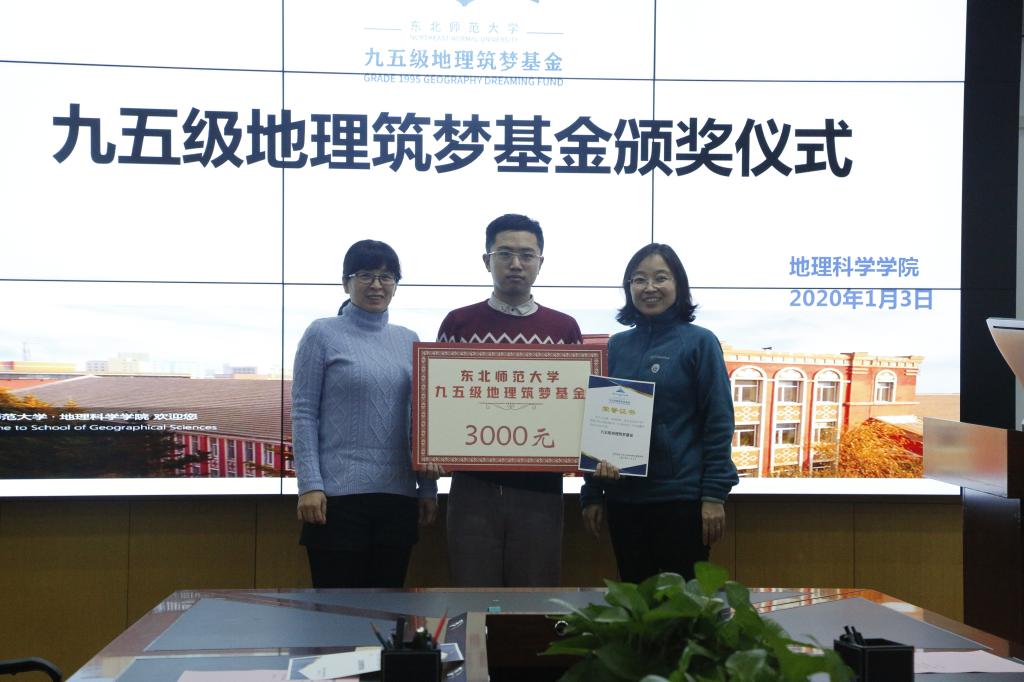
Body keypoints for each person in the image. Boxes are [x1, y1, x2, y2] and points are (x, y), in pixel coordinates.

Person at [436, 213, 582, 587]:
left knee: (535, 599)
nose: (516, 263)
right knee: (471, 597)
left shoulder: (564, 328)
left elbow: (578, 410)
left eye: (526, 255)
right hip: (472, 488)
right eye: (504, 254)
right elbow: (440, 407)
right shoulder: (457, 323)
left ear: (540, 262)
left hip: (541, 490)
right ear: (487, 261)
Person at [580, 243, 738, 583]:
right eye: (639, 279)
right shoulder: (616, 345)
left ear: (678, 284)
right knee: (634, 602)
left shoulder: (700, 342)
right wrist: (592, 492)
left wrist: (714, 496)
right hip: (623, 501)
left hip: (680, 501)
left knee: (683, 605)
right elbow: (596, 421)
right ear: (629, 288)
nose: (649, 287)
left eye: (660, 278)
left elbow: (719, 422)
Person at [291, 239, 438, 588]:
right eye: (365, 275)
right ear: (346, 283)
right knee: (337, 608)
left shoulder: (409, 339)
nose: (376, 285)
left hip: (398, 497)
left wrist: (428, 488)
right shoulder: (321, 333)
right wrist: (309, 485)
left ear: (396, 285)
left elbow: (420, 418)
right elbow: (303, 413)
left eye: (387, 277)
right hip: (336, 499)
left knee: (389, 608)